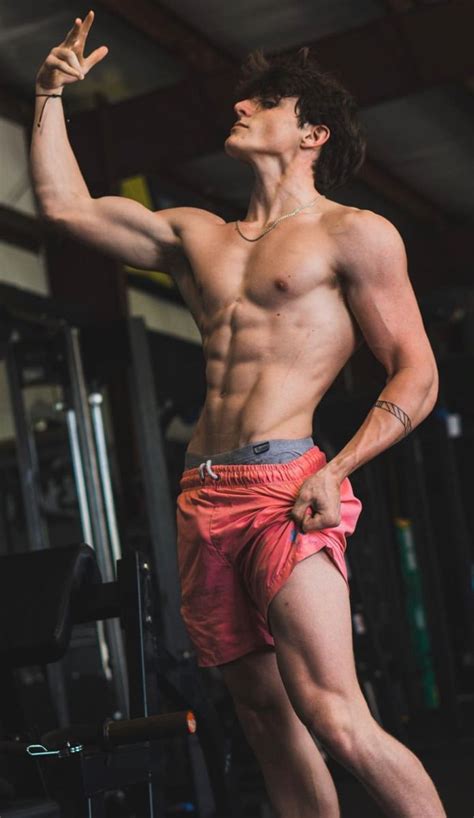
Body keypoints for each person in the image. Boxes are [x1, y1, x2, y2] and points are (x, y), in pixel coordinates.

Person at [31, 10, 446, 818]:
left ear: (313, 132)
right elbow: (63, 208)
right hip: (203, 496)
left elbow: (417, 372)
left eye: (265, 103)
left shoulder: (354, 235)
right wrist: (46, 95)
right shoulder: (198, 236)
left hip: (287, 488)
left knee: (333, 712)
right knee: (264, 717)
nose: (243, 108)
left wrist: (340, 467)